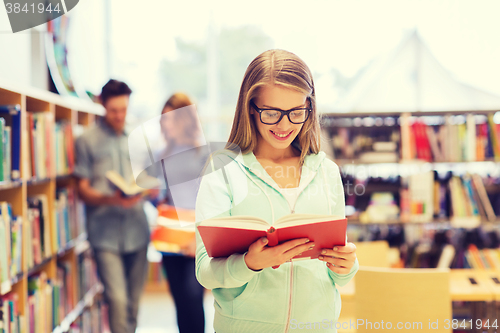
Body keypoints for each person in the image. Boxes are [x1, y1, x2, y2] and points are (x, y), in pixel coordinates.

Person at [194, 49, 359, 332]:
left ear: (310, 107)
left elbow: (338, 275)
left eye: (297, 112)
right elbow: (205, 272)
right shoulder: (222, 170)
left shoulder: (326, 171)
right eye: (271, 113)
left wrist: (347, 266)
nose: (285, 126)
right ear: (250, 108)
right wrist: (249, 263)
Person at [74, 79, 150, 333]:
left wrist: (142, 189)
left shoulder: (138, 138)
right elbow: (82, 188)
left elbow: (148, 177)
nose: (119, 116)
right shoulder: (86, 140)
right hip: (104, 234)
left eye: (124, 110)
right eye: (113, 110)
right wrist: (112, 199)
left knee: (133, 304)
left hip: (137, 230)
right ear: (102, 105)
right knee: (117, 301)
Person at [154, 92, 206, 333]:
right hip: (171, 239)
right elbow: (163, 198)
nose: (166, 124)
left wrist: (199, 238)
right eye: (163, 119)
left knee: (193, 298)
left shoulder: (204, 154)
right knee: (179, 301)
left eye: (171, 119)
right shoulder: (160, 155)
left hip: (196, 238)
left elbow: (212, 202)